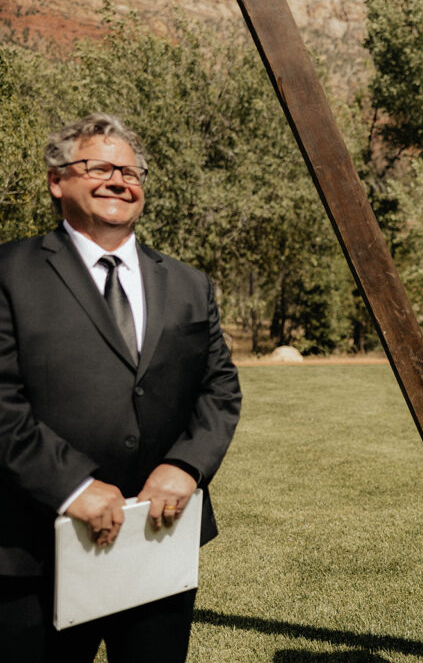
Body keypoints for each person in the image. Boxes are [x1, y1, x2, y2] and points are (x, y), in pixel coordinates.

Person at [0, 113, 242, 662]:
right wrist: (71, 486)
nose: (120, 181)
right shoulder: (9, 272)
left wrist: (187, 466)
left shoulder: (187, 283)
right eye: (101, 167)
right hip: (36, 547)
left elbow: (220, 388)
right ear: (57, 180)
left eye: (132, 172)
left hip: (158, 539)